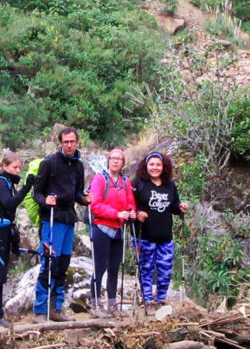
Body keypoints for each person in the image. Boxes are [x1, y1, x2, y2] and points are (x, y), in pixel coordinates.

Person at [31, 127, 90, 321]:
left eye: (73, 141)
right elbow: (36, 192)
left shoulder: (78, 166)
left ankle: (56, 309)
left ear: (78, 142)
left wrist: (85, 199)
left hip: (68, 218)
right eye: (66, 142)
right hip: (51, 219)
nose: (70, 145)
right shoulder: (49, 164)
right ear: (60, 143)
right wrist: (45, 200)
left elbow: (78, 194)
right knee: (49, 262)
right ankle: (40, 310)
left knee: (63, 264)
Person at [0, 154, 35, 329]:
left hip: (4, 231)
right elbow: (10, 203)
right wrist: (27, 187)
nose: (17, 171)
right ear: (4, 166)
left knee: (1, 274)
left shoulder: (6, 182)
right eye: (14, 168)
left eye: (19, 168)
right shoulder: (0, 182)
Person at [133, 151, 188, 307]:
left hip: (165, 236)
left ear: (164, 167)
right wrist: (137, 213)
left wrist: (181, 207)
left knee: (165, 270)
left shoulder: (169, 185)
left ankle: (161, 299)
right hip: (144, 235)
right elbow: (130, 205)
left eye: (158, 164)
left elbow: (175, 206)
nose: (155, 167)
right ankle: (148, 299)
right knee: (146, 269)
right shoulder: (138, 183)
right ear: (146, 166)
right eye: (152, 164)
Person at [89, 148, 136, 315]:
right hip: (102, 227)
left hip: (119, 229)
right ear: (108, 161)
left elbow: (130, 202)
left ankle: (112, 304)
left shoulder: (126, 181)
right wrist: (116, 213)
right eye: (113, 158)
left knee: (114, 268)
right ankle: (95, 305)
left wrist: (131, 211)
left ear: (123, 163)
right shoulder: (99, 179)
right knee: (99, 267)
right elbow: (95, 205)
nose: (115, 161)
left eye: (119, 159)